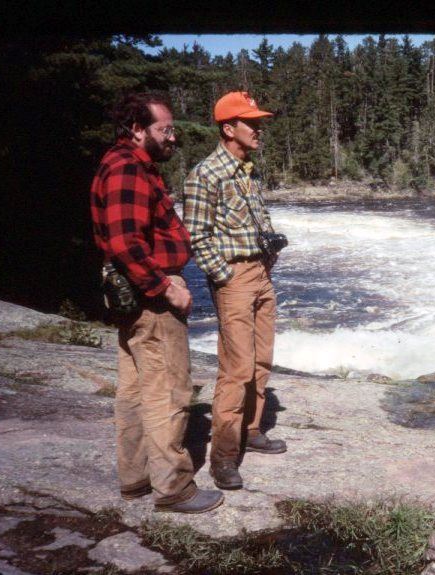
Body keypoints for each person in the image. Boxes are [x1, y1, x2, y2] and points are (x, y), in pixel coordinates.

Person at [90, 92, 224, 513]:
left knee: (134, 390)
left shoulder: (124, 165)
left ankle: (136, 479)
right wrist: (167, 287)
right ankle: (173, 488)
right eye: (164, 129)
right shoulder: (128, 169)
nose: (172, 137)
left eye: (172, 129)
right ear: (137, 129)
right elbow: (124, 242)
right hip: (151, 298)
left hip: (132, 297)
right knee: (168, 390)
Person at [184, 91, 286, 491]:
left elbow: (260, 219)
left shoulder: (250, 171)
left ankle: (252, 429)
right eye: (251, 124)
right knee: (237, 368)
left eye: (258, 123)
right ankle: (223, 457)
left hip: (261, 274)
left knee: (262, 359)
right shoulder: (205, 174)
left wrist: (269, 251)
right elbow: (196, 234)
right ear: (229, 128)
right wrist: (223, 276)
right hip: (235, 280)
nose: (258, 130)